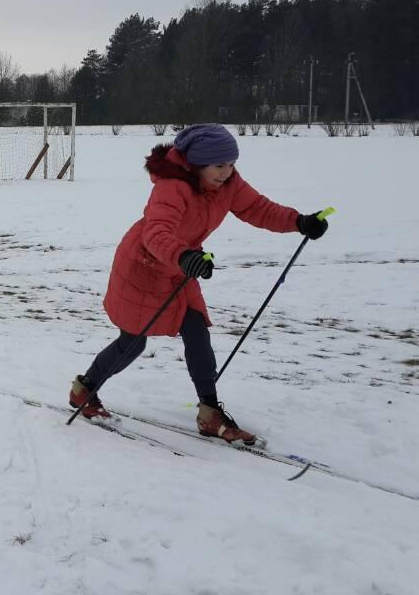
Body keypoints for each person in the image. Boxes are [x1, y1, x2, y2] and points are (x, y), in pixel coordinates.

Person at [68, 124, 330, 444]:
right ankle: (84, 389)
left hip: (180, 265)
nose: (227, 172)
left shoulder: (228, 183)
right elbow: (156, 232)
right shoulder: (172, 187)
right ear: (198, 164)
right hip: (145, 265)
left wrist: (298, 221)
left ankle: (209, 413)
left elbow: (256, 208)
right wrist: (184, 256)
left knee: (196, 330)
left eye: (231, 164)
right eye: (219, 166)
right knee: (133, 342)